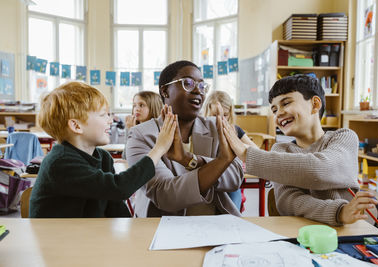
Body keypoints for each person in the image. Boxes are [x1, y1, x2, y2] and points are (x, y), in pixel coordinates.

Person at [223, 74, 377, 226]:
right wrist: (338, 211)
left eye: (286, 103)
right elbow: (288, 202)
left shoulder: (344, 137)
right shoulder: (281, 149)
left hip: (345, 232)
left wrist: (247, 154)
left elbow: (320, 169)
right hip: (301, 233)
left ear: (315, 105)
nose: (279, 114)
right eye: (274, 110)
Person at [29, 81, 176, 218]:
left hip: (86, 237)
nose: (110, 120)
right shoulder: (59, 162)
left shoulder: (103, 157)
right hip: (56, 241)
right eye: (103, 115)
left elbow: (115, 206)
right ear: (76, 126)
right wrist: (159, 148)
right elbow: (119, 188)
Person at [126, 60, 244, 217]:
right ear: (165, 91)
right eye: (188, 83)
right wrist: (221, 162)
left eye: (202, 86)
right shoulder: (141, 135)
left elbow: (235, 177)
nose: (198, 91)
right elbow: (165, 195)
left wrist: (190, 160)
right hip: (161, 228)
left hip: (215, 225)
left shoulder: (215, 128)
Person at [203, 90, 258, 211]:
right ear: (206, 112)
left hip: (230, 181)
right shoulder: (201, 130)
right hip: (208, 179)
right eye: (214, 115)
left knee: (233, 200)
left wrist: (236, 142)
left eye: (225, 115)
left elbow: (255, 149)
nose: (220, 120)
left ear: (230, 114)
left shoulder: (234, 130)